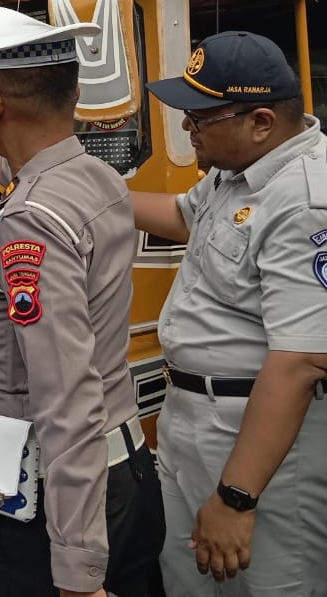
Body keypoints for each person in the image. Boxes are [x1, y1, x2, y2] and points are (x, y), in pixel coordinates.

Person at [0, 6, 164, 597]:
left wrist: (77, 571)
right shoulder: (93, 175)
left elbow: (65, 397)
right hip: (119, 470)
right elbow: (14, 162)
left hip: (57, 499)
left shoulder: (29, 224)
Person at [131, 31, 327, 594]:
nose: (187, 129)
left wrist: (237, 498)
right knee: (187, 581)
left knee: (267, 583)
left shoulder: (305, 201)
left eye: (198, 118)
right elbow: (178, 215)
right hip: (190, 419)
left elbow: (301, 363)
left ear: (261, 121)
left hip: (257, 443)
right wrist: (76, 193)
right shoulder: (234, 170)